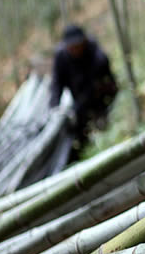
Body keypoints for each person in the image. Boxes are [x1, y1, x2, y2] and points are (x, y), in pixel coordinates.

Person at [49, 25, 118, 157]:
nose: (74, 50)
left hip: (100, 98)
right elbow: (57, 83)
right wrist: (54, 107)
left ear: (84, 42)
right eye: (71, 46)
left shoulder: (97, 57)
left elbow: (95, 89)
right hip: (78, 98)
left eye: (77, 45)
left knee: (101, 129)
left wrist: (77, 110)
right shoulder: (61, 57)